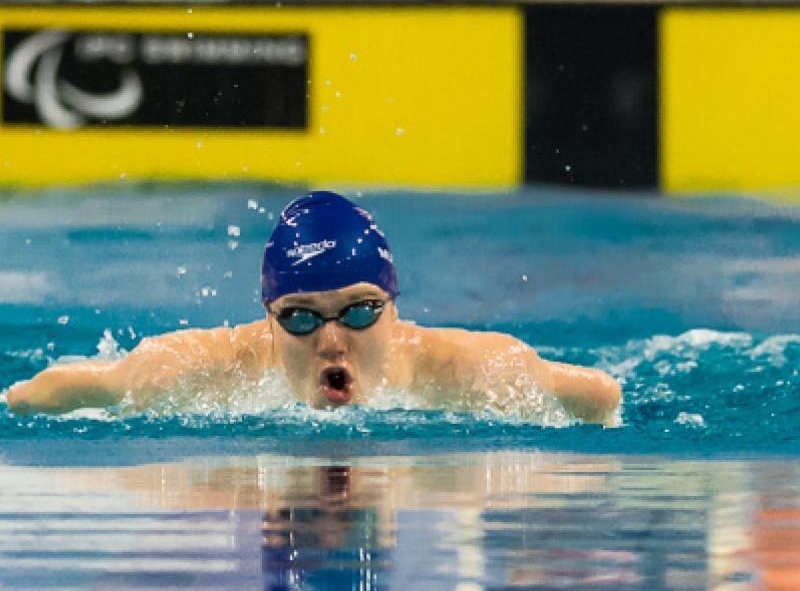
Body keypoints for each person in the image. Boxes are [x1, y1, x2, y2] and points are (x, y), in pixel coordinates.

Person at [5, 191, 621, 423]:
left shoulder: (477, 374)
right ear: (268, 316)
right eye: (301, 317)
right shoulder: (188, 372)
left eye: (358, 312)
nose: (332, 340)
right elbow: (44, 393)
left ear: (394, 307)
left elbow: (602, 396)